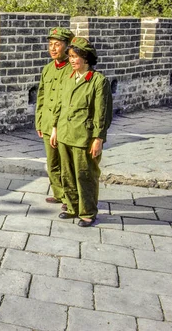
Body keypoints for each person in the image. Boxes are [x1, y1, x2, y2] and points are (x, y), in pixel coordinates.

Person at [50, 37, 112, 227]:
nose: (72, 60)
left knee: (85, 175)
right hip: (65, 133)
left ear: (86, 59)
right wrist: (54, 129)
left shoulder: (97, 81)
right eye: (70, 56)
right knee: (67, 173)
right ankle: (71, 206)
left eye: (76, 57)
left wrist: (98, 138)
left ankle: (87, 212)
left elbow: (102, 113)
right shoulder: (69, 78)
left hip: (83, 137)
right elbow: (60, 105)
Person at [35, 27, 75, 208]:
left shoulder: (73, 69)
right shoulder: (48, 69)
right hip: (46, 122)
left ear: (67, 47)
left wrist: (56, 127)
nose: (52, 48)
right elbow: (41, 96)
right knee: (52, 163)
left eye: (57, 45)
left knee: (67, 164)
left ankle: (70, 198)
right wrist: (39, 121)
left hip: (64, 125)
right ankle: (58, 193)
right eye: (50, 44)